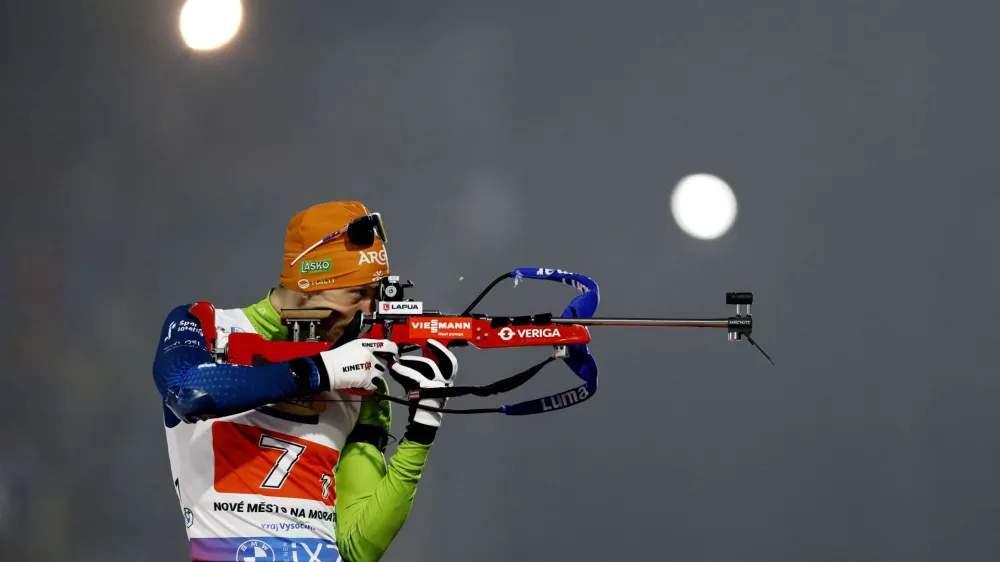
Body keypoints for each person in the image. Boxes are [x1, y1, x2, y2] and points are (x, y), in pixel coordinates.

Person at [151, 200, 457, 562]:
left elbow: (355, 548)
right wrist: (322, 370)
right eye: (358, 294)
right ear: (308, 286)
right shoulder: (205, 324)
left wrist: (422, 429)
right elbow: (190, 393)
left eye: (376, 296)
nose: (370, 313)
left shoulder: (363, 381)